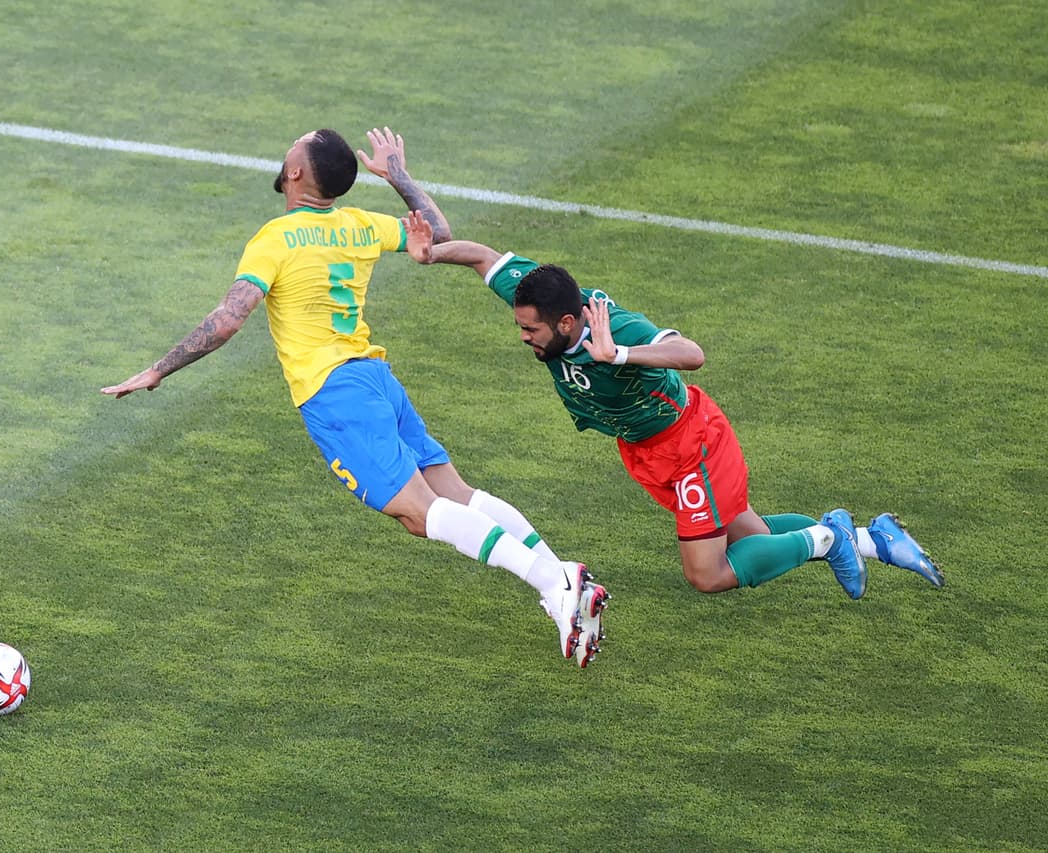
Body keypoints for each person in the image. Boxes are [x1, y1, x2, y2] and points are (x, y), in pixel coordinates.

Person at [102, 128, 608, 667]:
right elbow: (435, 233)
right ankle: (563, 581)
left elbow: (228, 322)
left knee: (420, 513)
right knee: (455, 492)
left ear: (296, 172)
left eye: (292, 147)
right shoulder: (360, 225)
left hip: (335, 393)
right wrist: (399, 179)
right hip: (374, 378)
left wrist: (158, 370)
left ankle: (555, 582)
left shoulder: (274, 238)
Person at [403, 211, 944, 599]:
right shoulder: (540, 295)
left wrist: (621, 356)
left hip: (691, 445)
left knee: (707, 573)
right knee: (748, 536)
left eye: (529, 329)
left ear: (567, 323)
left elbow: (692, 354)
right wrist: (429, 249)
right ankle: (876, 540)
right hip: (645, 451)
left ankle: (829, 537)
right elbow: (480, 256)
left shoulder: (610, 327)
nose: (521, 336)